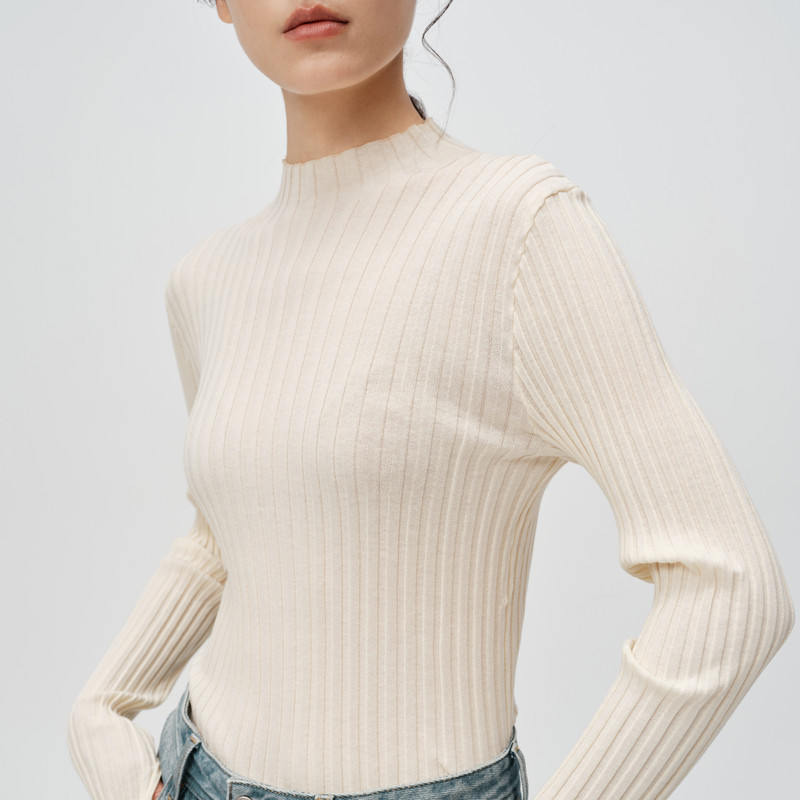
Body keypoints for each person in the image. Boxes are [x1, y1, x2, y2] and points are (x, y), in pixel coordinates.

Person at [66, 2, 795, 800]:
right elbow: (227, 532)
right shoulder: (206, 280)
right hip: (195, 769)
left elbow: (730, 585)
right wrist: (99, 712)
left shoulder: (519, 228)